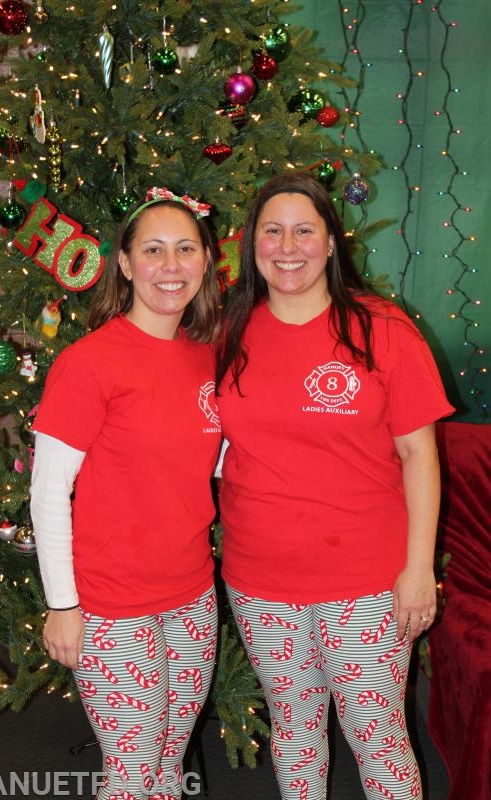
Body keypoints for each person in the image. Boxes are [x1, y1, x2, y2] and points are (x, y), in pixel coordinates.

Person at [215, 172, 454, 800]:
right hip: (259, 577)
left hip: (369, 578)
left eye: (303, 230)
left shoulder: (383, 329)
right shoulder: (227, 331)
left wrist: (418, 567)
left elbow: (419, 455)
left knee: (378, 735)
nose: (286, 245)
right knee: (294, 729)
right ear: (252, 244)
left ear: (329, 243)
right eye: (272, 230)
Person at [30, 187, 222, 800]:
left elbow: (218, 462)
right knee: (134, 774)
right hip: (112, 605)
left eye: (185, 249)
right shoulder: (89, 363)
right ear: (124, 263)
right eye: (154, 250)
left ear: (205, 261)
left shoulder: (207, 359)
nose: (171, 266)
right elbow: (48, 491)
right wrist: (63, 605)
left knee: (168, 763)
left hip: (192, 598)